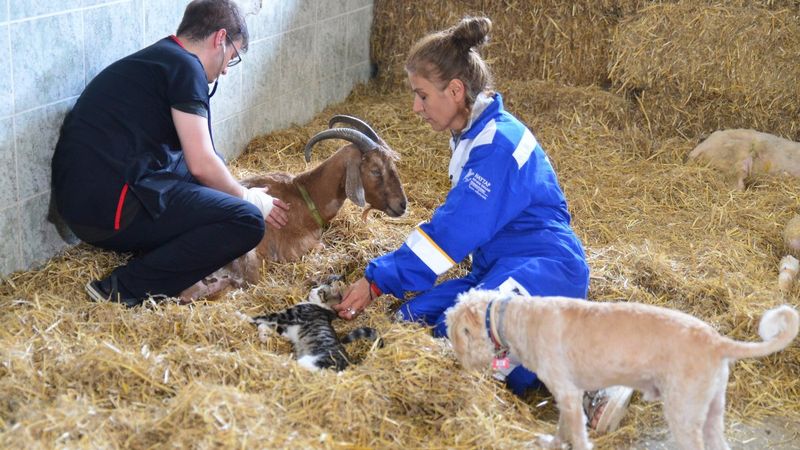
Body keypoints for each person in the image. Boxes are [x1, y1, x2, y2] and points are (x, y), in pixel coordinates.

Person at [333, 16, 633, 434]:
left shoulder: (496, 147)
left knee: (465, 338)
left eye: (422, 96)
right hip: (496, 269)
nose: (415, 108)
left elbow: (451, 234)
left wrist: (378, 278)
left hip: (544, 270)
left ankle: (590, 377)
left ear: (455, 91)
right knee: (410, 319)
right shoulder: (473, 133)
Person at [51, 0, 289, 307]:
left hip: (84, 203)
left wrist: (231, 190)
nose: (226, 71)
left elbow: (197, 163)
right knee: (245, 220)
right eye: (232, 56)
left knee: (205, 182)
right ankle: (120, 289)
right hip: (108, 210)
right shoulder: (186, 68)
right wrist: (250, 199)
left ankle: (167, 264)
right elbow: (202, 163)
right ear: (220, 38)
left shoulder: (164, 58)